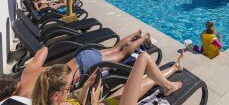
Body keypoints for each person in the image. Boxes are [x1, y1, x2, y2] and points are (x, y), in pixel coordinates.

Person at [0, 30, 152, 103]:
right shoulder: (27, 72)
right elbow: (44, 50)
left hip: (85, 66)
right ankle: (137, 34)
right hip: (81, 56)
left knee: (121, 55)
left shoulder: (28, 97)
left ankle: (144, 38)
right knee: (116, 49)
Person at [32, 52, 183, 105]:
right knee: (143, 58)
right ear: (56, 94)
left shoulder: (55, 101)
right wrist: (96, 101)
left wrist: (85, 88)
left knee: (143, 80)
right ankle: (169, 86)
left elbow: (79, 103)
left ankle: (175, 68)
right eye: (69, 87)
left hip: (106, 103)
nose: (71, 88)